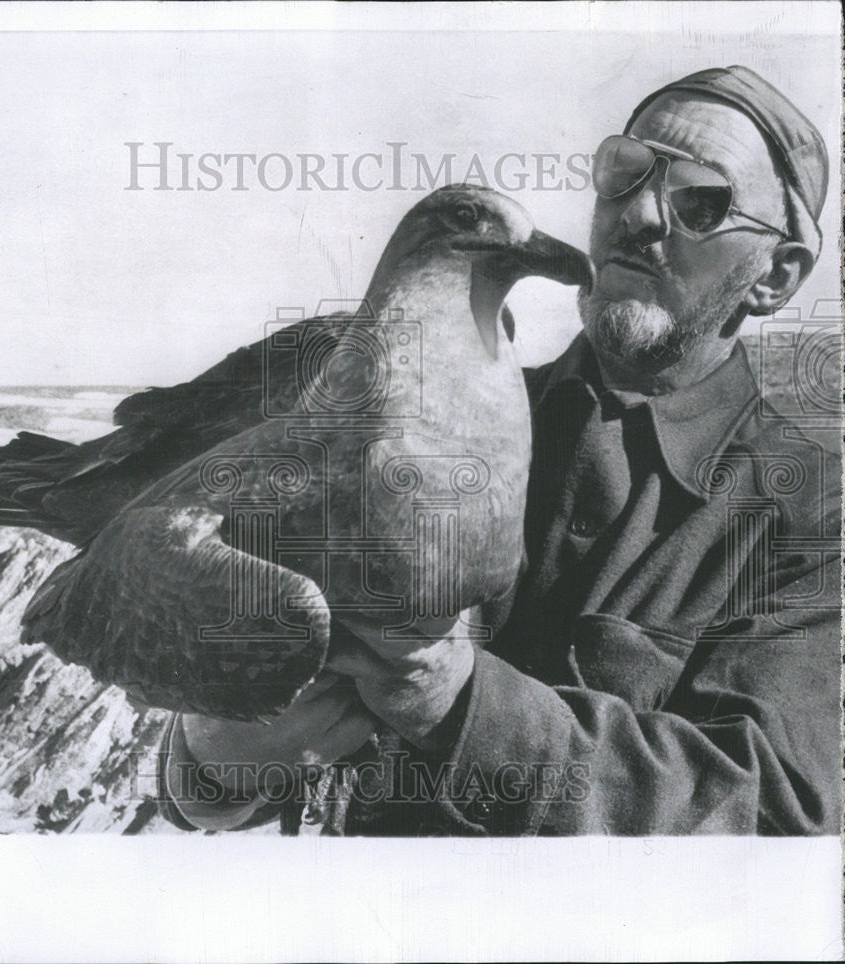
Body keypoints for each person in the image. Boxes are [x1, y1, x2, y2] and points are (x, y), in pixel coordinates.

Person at [156, 66, 840, 835]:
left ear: (775, 277)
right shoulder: (419, 426)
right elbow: (239, 752)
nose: (640, 214)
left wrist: (461, 705)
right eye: (626, 171)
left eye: (700, 203)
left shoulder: (812, 511)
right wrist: (210, 760)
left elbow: (776, 821)